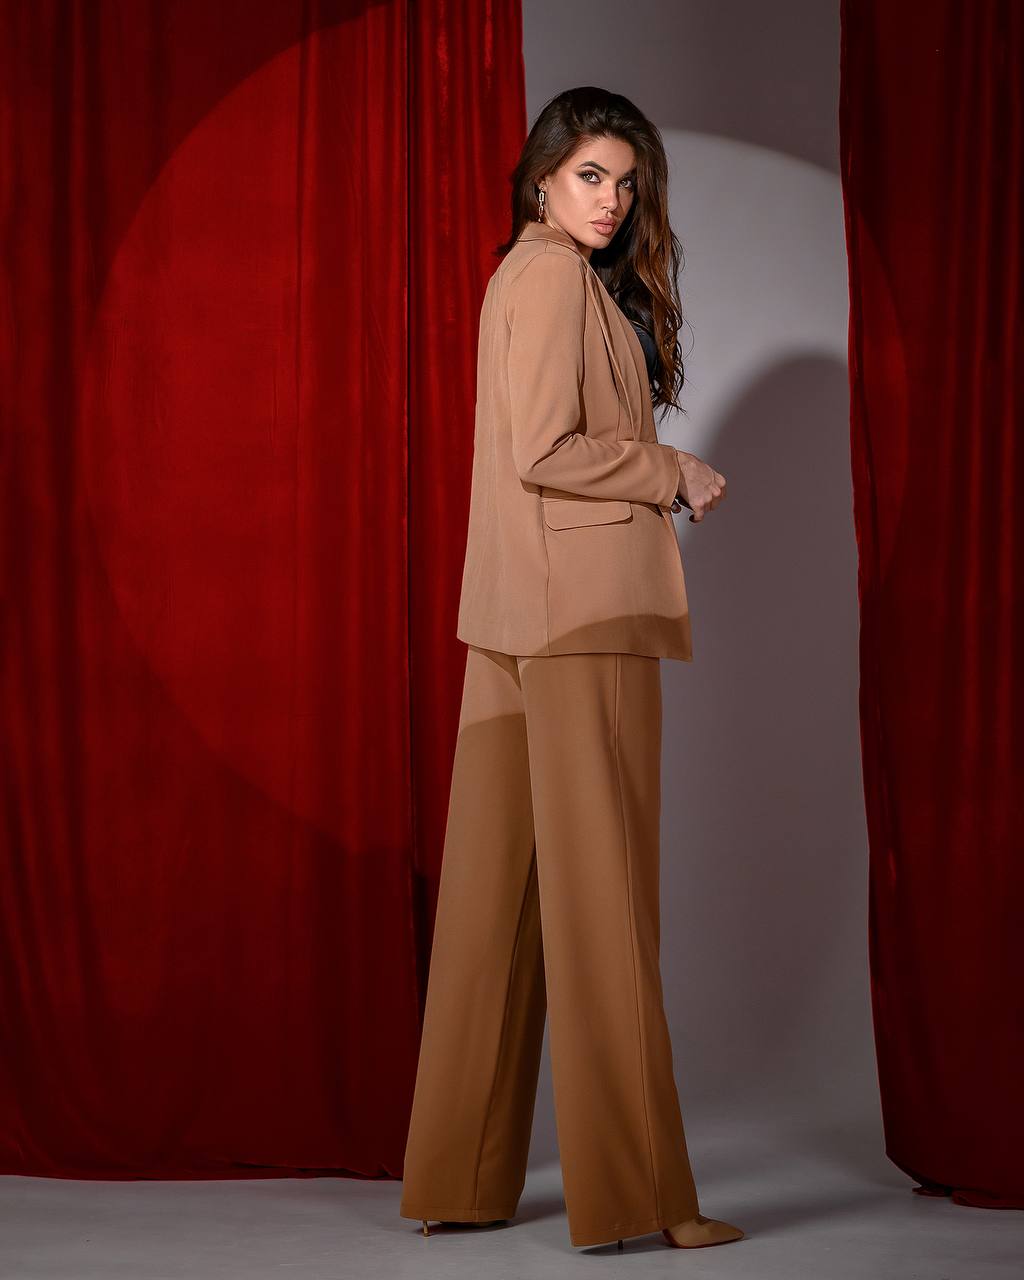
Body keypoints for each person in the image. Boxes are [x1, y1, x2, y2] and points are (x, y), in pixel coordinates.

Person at [398, 85, 743, 1252]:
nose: (610, 200)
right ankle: (640, 1195)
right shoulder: (550, 276)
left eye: (626, 181)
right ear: (542, 173)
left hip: (514, 608)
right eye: (590, 174)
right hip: (580, 612)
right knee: (603, 906)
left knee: (497, 903)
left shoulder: (532, 273)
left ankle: (459, 1176)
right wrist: (669, 469)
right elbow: (544, 448)